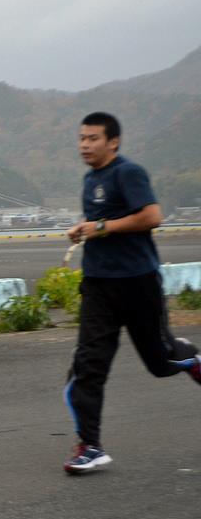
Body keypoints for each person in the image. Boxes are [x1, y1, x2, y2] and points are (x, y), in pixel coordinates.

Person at [63, 112, 199, 473]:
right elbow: (101, 226)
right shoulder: (91, 179)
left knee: (160, 362)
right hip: (97, 285)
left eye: (92, 138)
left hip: (138, 283)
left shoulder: (128, 173)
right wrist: (84, 230)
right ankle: (89, 446)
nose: (84, 145)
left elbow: (152, 216)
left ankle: (190, 358)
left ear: (113, 142)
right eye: (81, 138)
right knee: (86, 368)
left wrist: (101, 226)